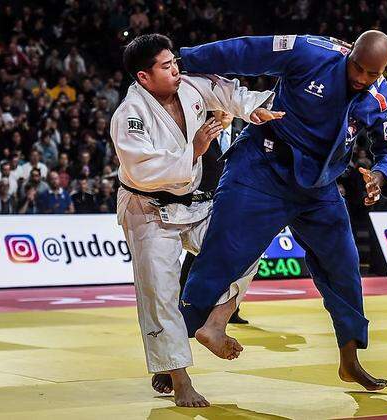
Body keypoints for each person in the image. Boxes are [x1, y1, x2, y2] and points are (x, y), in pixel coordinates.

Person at [178, 31, 387, 392]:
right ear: (351, 54)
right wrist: (186, 59)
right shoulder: (310, 52)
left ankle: (350, 361)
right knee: (221, 255)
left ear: (383, 70)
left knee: (344, 267)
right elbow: (245, 50)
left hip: (319, 186)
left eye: (371, 73)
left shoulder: (383, 99)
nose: (361, 78)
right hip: (262, 167)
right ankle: (173, 359)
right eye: (357, 68)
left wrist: (381, 175)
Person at [111, 34, 281, 407]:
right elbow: (142, 170)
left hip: (192, 203)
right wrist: (196, 150)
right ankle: (179, 378)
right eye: (166, 66)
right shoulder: (129, 116)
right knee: (159, 293)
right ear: (143, 76)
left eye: (175, 62)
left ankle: (215, 324)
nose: (175, 69)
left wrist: (258, 108)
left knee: (245, 245)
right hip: (148, 209)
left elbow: (226, 93)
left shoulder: (188, 87)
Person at [179, 110, 248, 325]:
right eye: (221, 106)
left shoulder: (244, 132)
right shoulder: (202, 132)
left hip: (237, 201)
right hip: (205, 201)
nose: (226, 111)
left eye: (229, 106)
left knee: (235, 255)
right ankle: (184, 304)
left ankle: (230, 309)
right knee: (197, 254)